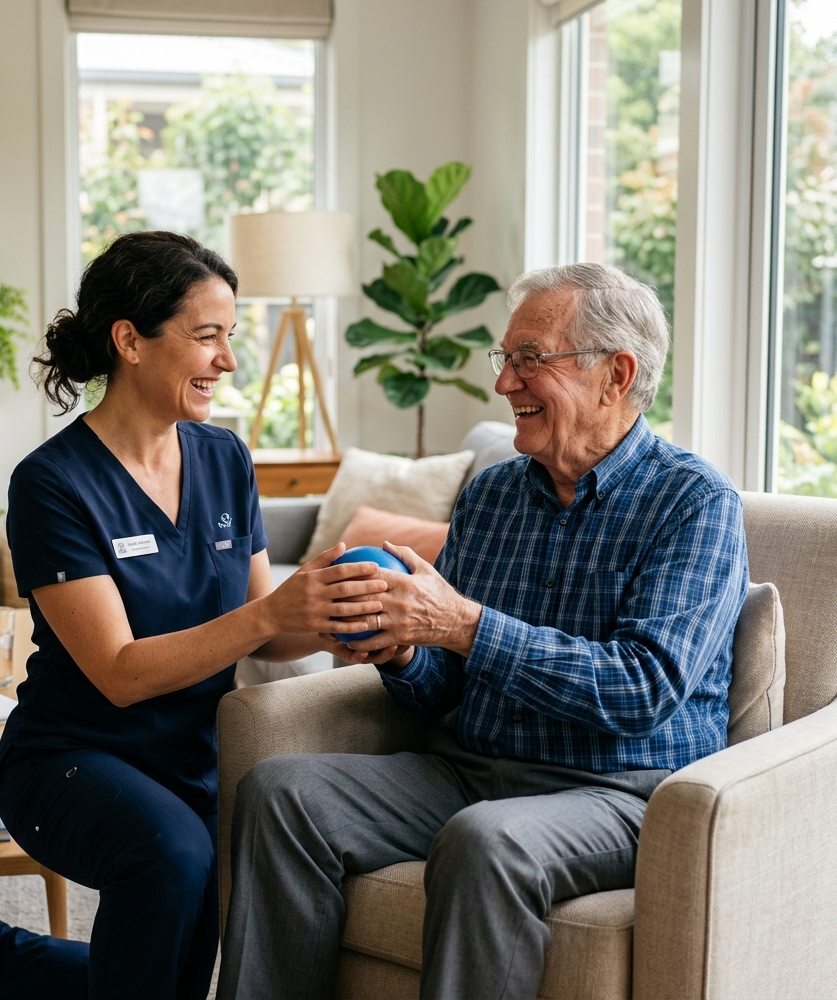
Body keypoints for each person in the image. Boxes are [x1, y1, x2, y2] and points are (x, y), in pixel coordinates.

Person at [0, 232, 391, 1000]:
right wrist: (269, 612)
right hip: (73, 759)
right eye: (206, 336)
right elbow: (118, 673)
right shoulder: (52, 483)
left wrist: (344, 613)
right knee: (176, 854)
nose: (228, 360)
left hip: (196, 762)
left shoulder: (225, 458)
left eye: (230, 337)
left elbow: (269, 630)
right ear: (130, 341)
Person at [218, 262, 749, 1000]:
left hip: (618, 791)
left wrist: (462, 623)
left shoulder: (693, 504)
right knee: (281, 791)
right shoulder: (494, 494)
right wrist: (405, 648)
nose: (504, 384)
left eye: (531, 360)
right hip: (468, 767)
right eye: (507, 360)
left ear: (616, 374)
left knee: (485, 840)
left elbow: (642, 689)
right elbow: (445, 686)